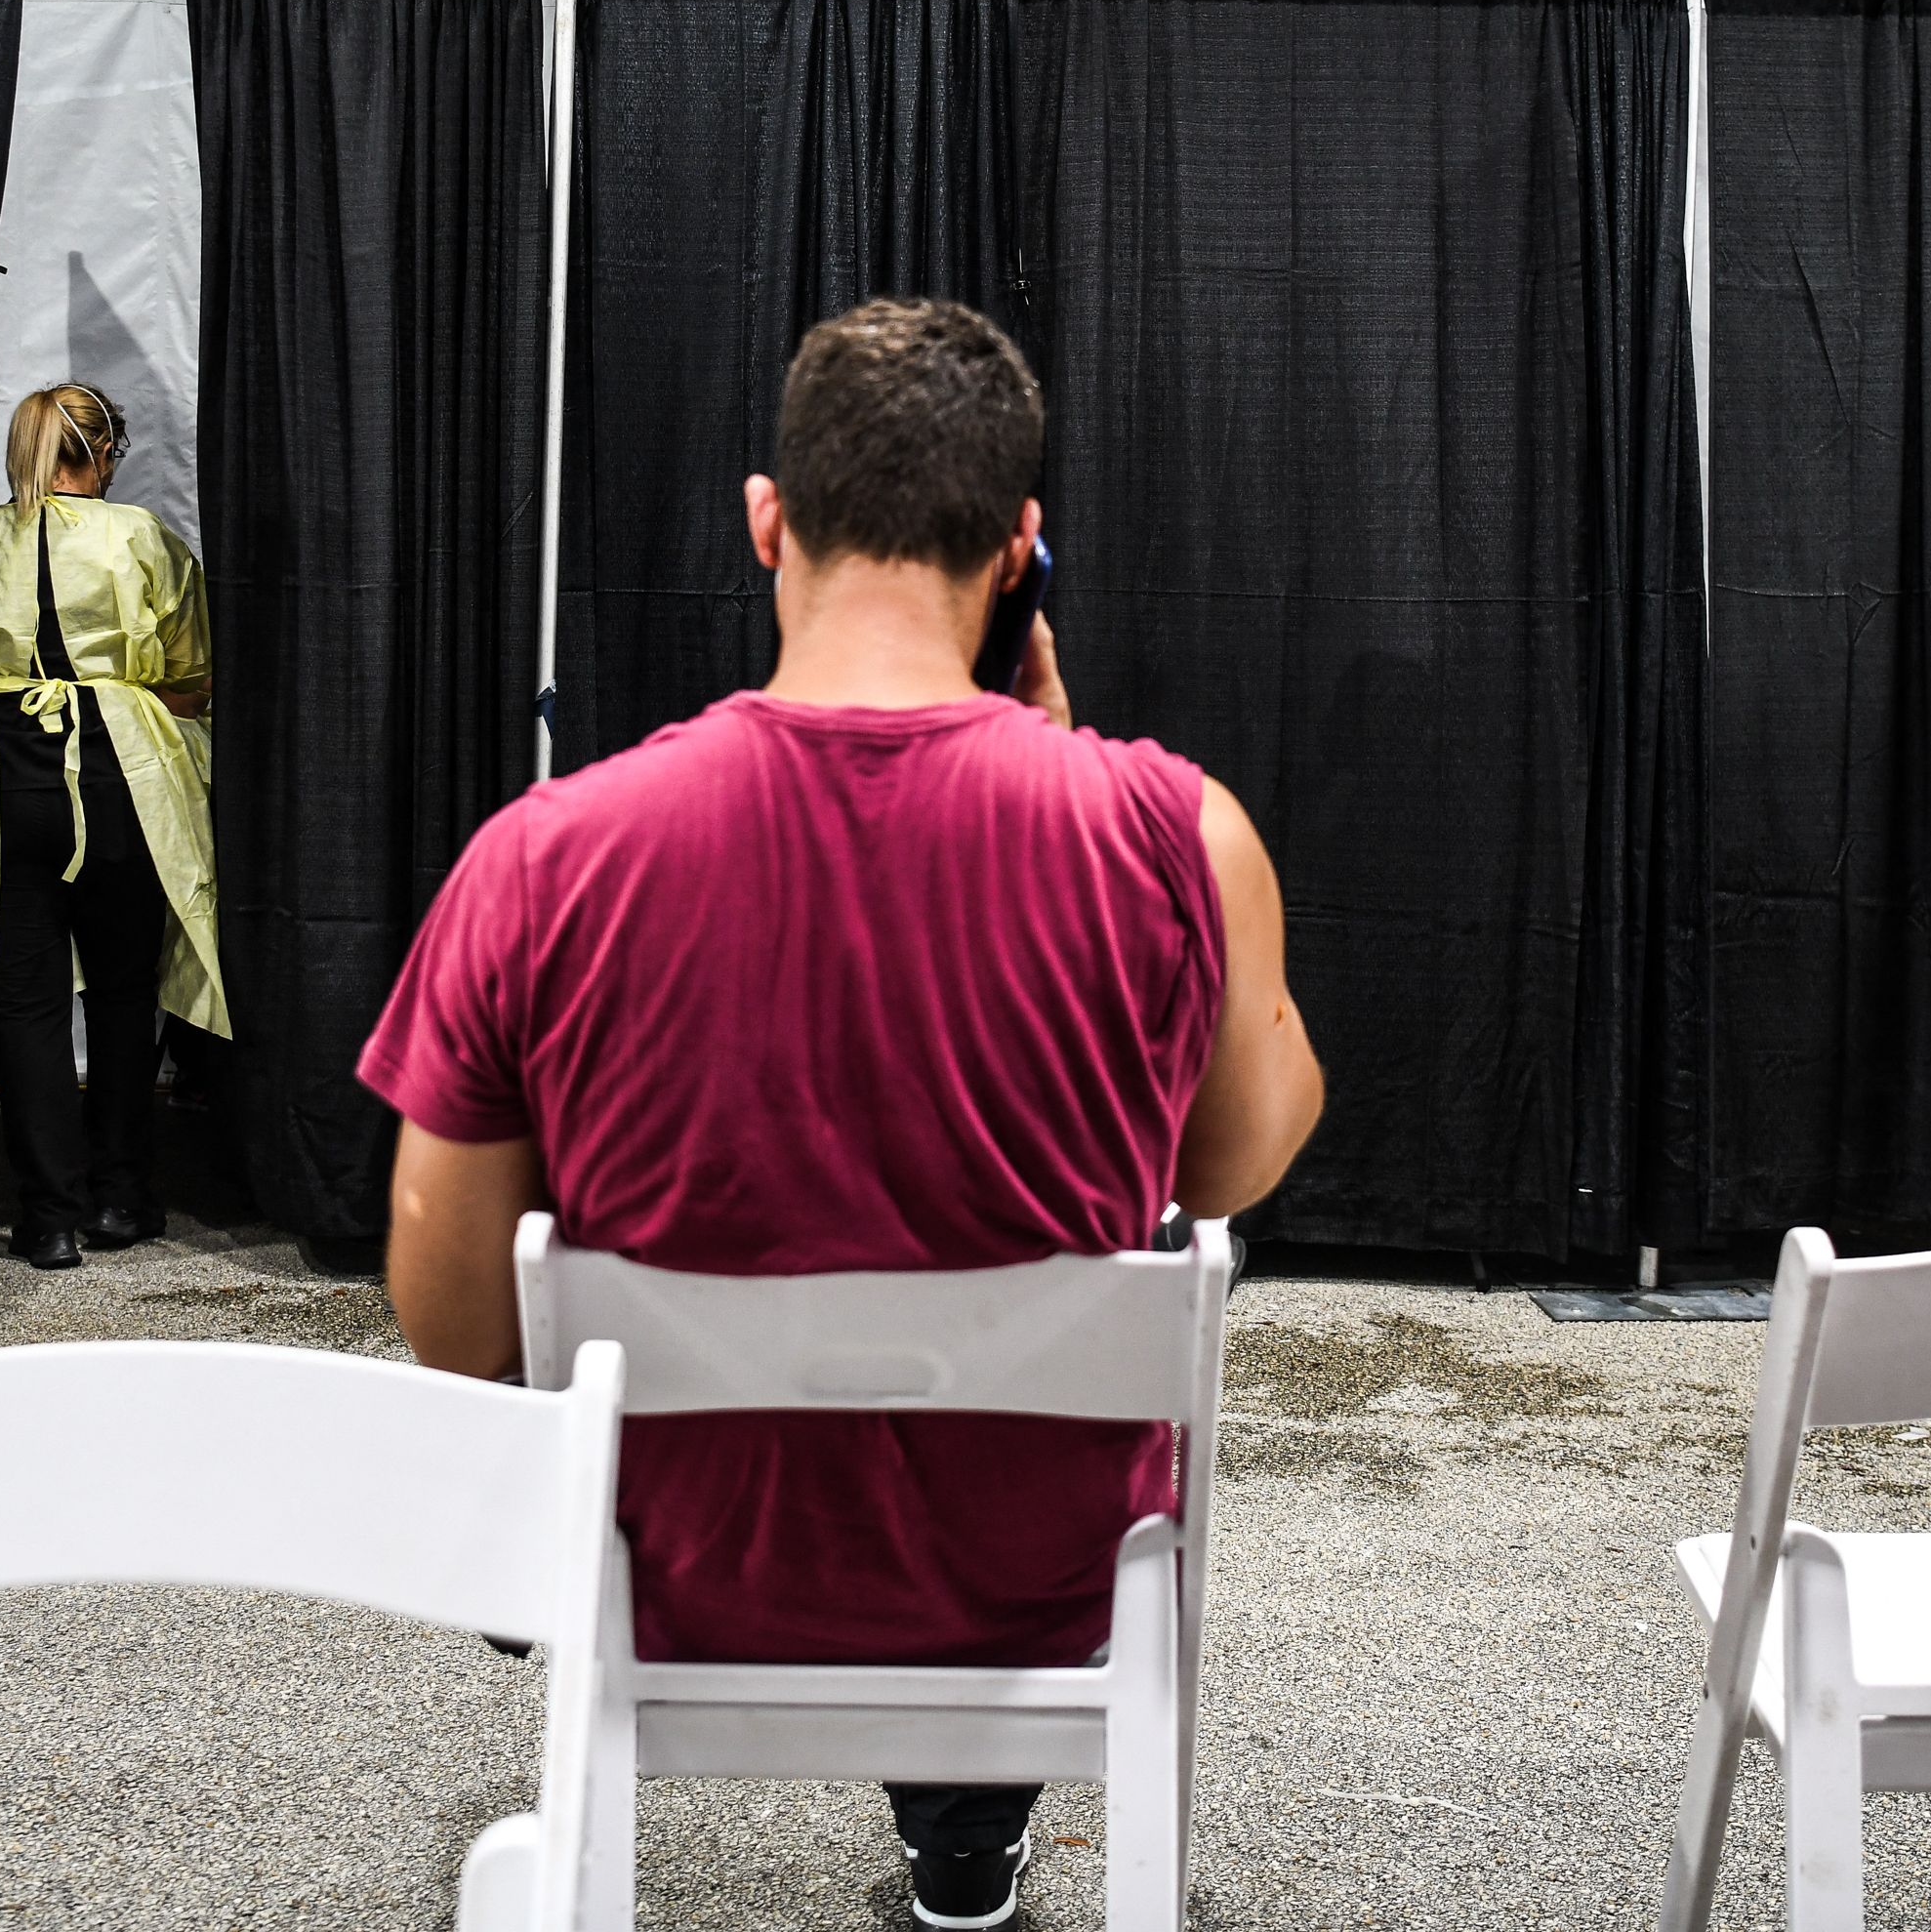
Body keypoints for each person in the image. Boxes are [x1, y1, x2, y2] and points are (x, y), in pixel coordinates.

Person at [362, 298, 1325, 1930]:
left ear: (766, 522)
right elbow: (1235, 1158)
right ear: (1023, 548)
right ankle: (968, 1832)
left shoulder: (541, 858)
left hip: (670, 1566)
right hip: (1039, 1585)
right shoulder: (1178, 837)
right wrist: (1074, 784)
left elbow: (452, 1330)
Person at [0, 382, 227, 1270]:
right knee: (125, 991)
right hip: (122, 770)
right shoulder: (143, 537)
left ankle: (47, 1217)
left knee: (27, 1002)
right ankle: (122, 1197)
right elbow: (194, 675)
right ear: (107, 453)